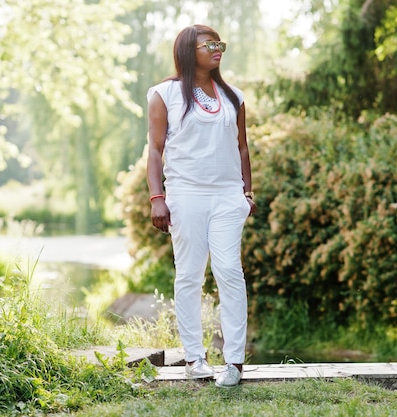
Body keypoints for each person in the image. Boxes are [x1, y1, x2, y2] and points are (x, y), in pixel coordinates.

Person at [146, 24, 256, 388]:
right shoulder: (165, 94)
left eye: (219, 43)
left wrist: (247, 194)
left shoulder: (233, 96)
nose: (216, 48)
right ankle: (195, 357)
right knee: (190, 274)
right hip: (186, 194)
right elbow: (156, 151)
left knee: (229, 270)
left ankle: (235, 362)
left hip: (227, 195)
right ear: (187, 51)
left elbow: (242, 147)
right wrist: (157, 197)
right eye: (208, 44)